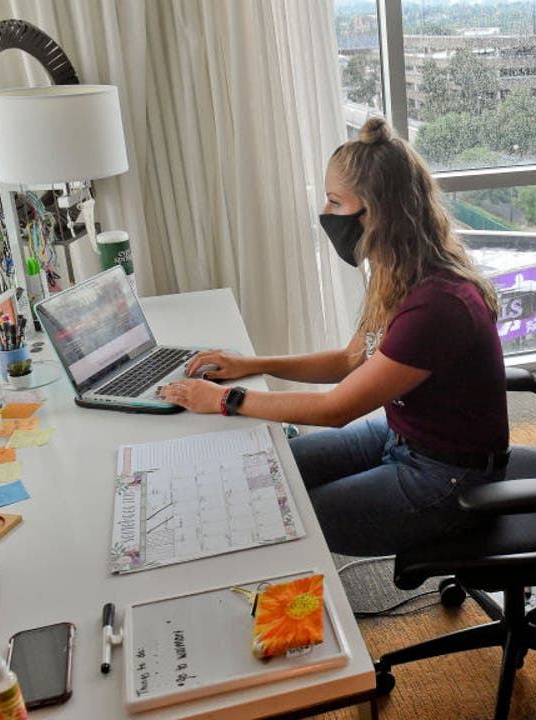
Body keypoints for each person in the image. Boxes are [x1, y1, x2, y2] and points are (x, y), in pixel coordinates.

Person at [160, 116, 509, 556]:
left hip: (449, 477)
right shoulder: (396, 269)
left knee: (282, 513)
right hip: (400, 436)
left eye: (335, 202)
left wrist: (226, 400)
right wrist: (254, 364)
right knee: (270, 472)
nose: (326, 214)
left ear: (377, 212)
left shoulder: (437, 304)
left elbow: (336, 409)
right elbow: (350, 360)